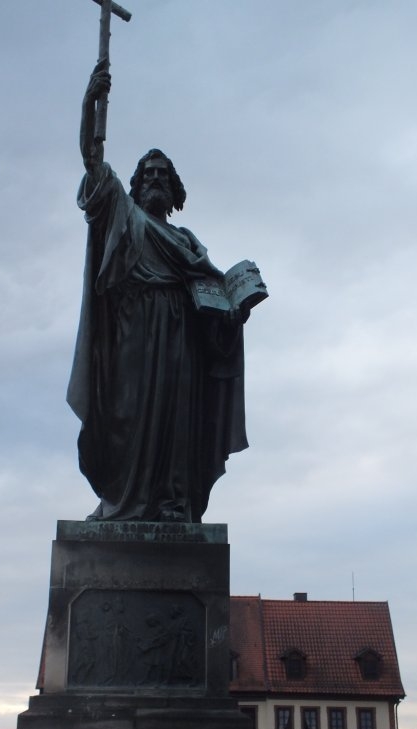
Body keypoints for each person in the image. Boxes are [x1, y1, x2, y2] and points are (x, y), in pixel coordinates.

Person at [67, 65, 248, 523]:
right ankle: (120, 500)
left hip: (180, 341)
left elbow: (212, 305)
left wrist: (233, 316)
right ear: (135, 185)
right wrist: (90, 104)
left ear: (174, 190)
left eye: (161, 176)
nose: (153, 180)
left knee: (176, 421)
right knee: (127, 417)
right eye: (147, 174)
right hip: (134, 333)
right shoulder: (124, 215)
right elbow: (93, 162)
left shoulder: (187, 242)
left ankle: (172, 501)